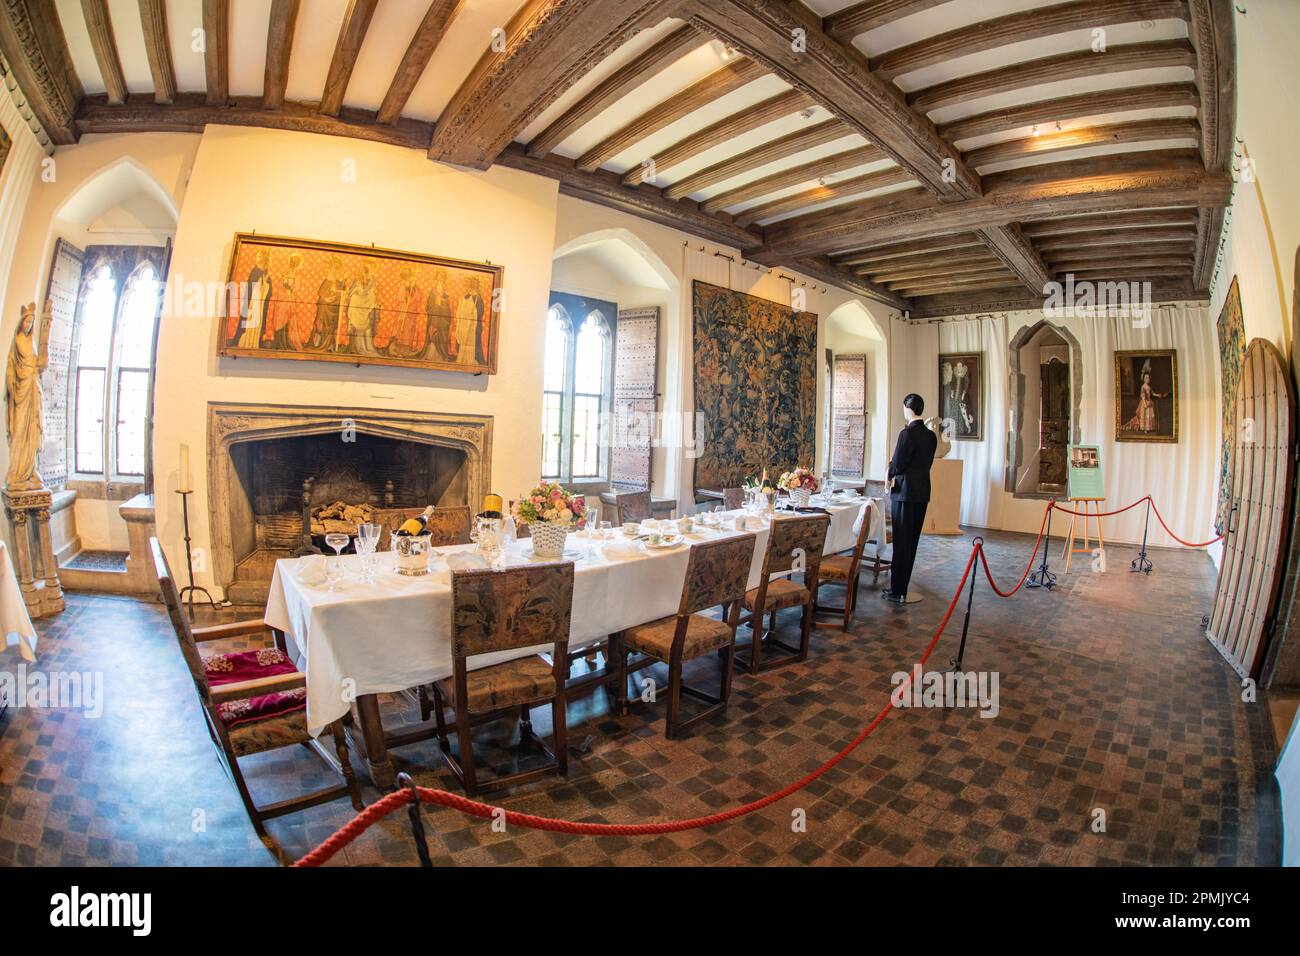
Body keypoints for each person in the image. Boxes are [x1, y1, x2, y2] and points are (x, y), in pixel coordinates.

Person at [884, 393, 937, 605]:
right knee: (912, 542)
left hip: (905, 494)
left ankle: (897, 589)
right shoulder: (931, 436)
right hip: (922, 492)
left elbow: (898, 463)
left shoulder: (907, 434)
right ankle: (902, 586)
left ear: (908, 409)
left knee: (901, 542)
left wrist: (889, 472)